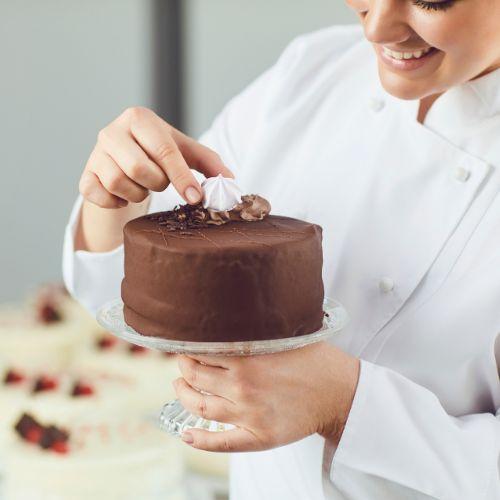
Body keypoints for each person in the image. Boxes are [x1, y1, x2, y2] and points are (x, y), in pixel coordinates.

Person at [63, 1, 500, 498]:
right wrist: (117, 195)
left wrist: (345, 404)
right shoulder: (312, 72)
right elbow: (126, 296)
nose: (377, 25)